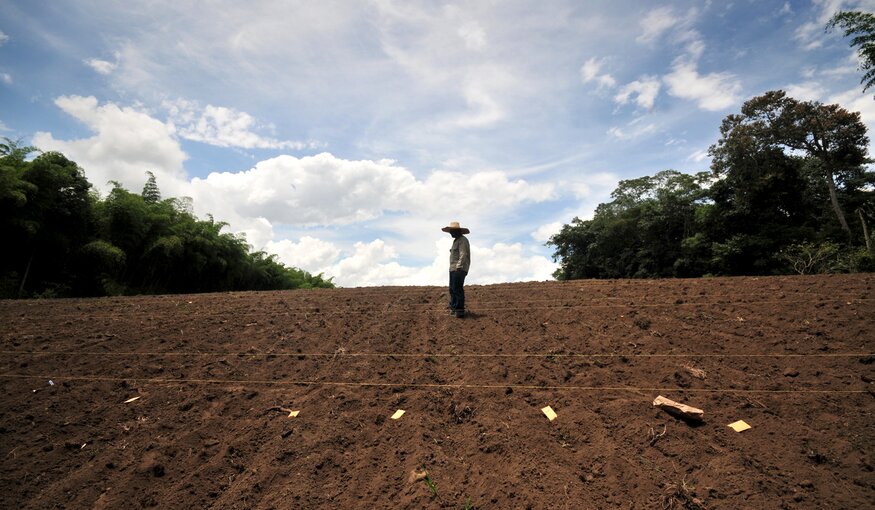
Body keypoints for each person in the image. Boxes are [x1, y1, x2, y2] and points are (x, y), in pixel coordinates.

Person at [442, 221, 470, 318]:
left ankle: (459, 311)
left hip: (459, 269)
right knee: (452, 289)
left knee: (457, 289)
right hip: (453, 268)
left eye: (452, 231)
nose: (450, 233)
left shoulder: (462, 240)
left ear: (457, 231)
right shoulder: (456, 241)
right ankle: (454, 309)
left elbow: (463, 254)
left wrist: (458, 266)